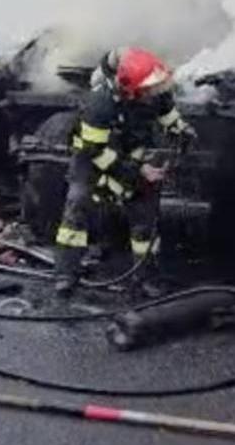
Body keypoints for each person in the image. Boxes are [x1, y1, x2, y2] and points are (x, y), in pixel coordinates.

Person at [52, 47, 197, 296]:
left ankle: (146, 277)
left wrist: (182, 130)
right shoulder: (100, 104)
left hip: (132, 157)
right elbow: (95, 150)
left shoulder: (154, 91)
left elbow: (168, 115)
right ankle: (66, 274)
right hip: (93, 157)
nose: (156, 91)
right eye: (150, 88)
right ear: (132, 90)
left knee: (145, 219)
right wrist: (139, 171)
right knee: (78, 206)